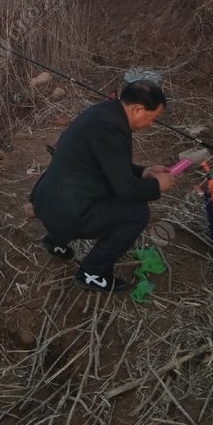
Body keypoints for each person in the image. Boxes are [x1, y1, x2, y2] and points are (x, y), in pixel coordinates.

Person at [29, 79, 178, 293]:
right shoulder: (113, 128)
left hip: (47, 202)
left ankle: (56, 241)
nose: (151, 124)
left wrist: (144, 171)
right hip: (65, 211)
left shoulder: (104, 112)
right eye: (152, 118)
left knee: (95, 193)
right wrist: (156, 186)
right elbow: (126, 190)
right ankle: (92, 273)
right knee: (136, 213)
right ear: (137, 109)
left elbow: (109, 163)